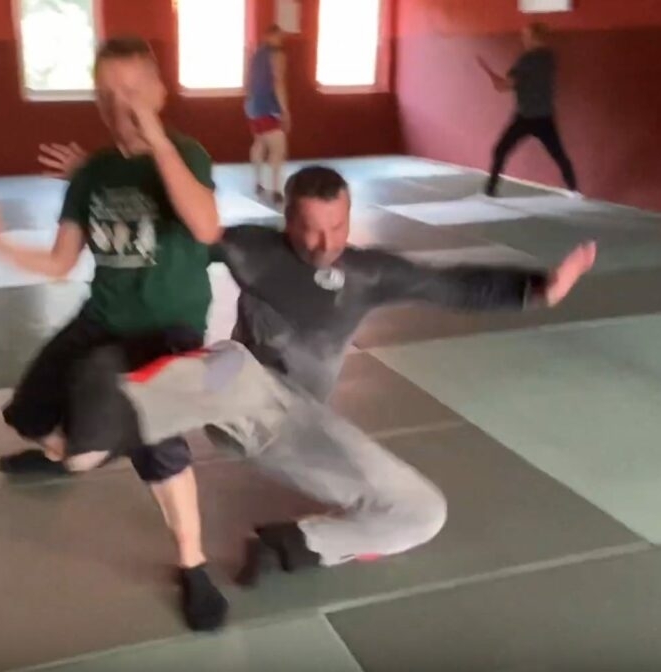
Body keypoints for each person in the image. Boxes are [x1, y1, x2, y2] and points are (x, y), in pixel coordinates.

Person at [36, 157, 597, 591]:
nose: (326, 242)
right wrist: (103, 187)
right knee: (232, 362)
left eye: (337, 226)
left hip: (295, 430)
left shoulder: (368, 274)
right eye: (310, 229)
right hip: (233, 396)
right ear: (286, 219)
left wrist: (537, 289)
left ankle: (293, 546)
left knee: (424, 513)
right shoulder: (251, 249)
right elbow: (176, 235)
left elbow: (450, 285)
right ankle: (116, 411)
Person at [0, 37, 228, 632]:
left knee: (156, 441)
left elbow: (206, 227)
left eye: (133, 90)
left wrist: (155, 140)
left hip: (168, 332)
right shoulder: (94, 174)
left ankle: (193, 565)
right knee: (30, 410)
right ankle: (68, 454)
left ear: (159, 93)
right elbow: (61, 263)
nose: (120, 104)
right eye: (106, 93)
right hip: (100, 320)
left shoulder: (187, 154)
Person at [479, 22, 580, 199]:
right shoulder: (549, 58)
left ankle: (490, 190)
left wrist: (489, 73)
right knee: (558, 154)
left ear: (534, 37)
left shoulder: (526, 60)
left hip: (525, 117)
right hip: (545, 117)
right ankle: (574, 189)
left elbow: (503, 86)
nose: (523, 39)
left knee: (500, 150)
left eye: (526, 36)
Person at [245, 24, 290, 205]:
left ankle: (258, 182)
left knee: (259, 143)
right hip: (268, 107)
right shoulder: (277, 55)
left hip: (253, 106)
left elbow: (248, 80)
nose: (281, 40)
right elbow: (278, 82)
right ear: (270, 36)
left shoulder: (256, 54)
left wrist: (249, 102)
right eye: (279, 36)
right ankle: (277, 190)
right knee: (278, 149)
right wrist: (285, 111)